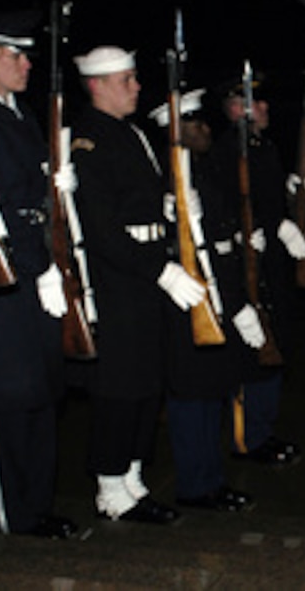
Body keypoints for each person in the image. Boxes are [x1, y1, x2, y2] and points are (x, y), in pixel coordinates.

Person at [0, 14, 78, 539]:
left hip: (33, 270)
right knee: (3, 397)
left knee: (38, 393)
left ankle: (36, 505)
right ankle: (11, 515)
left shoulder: (22, 114)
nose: (27, 64)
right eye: (15, 56)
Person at [71, 45, 195, 524]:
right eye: (126, 80)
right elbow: (101, 230)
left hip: (147, 275)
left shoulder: (134, 134)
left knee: (147, 382)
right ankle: (109, 486)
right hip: (120, 280)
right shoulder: (89, 140)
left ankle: (133, 476)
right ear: (97, 85)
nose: (136, 87)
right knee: (119, 388)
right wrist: (159, 269)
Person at [147, 89, 256, 512]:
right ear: (176, 131)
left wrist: (238, 301)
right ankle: (195, 485)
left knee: (212, 392)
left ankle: (210, 478)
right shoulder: (165, 182)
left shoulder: (204, 174)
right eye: (195, 123)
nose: (206, 129)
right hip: (185, 303)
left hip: (217, 298)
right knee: (192, 398)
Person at [211, 76, 305, 466]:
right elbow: (226, 205)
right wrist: (269, 225)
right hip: (244, 260)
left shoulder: (263, 148)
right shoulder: (225, 152)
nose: (261, 109)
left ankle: (263, 429)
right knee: (250, 351)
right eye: (251, 101)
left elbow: (267, 198)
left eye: (263, 102)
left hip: (271, 263)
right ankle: (247, 437)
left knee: (273, 341)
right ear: (231, 108)